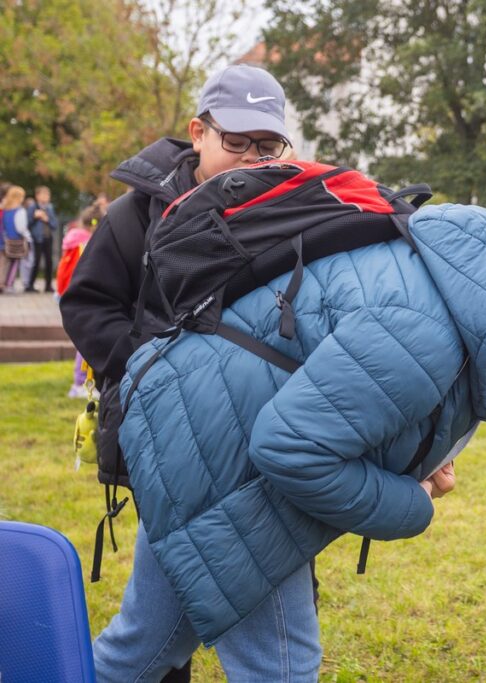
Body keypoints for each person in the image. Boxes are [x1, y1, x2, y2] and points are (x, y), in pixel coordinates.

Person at [91, 204, 486, 681]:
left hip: (194, 428)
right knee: (279, 667)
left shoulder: (471, 306)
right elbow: (291, 448)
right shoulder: (427, 331)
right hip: (220, 457)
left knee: (146, 646)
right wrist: (409, 502)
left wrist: (416, 463)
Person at [60, 63, 296, 683]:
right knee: (163, 636)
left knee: (187, 611)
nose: (252, 158)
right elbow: (87, 305)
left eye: (267, 146)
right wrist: (154, 372)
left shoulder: (292, 209)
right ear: (198, 132)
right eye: (236, 142)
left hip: (255, 438)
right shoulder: (134, 213)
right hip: (162, 431)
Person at [58, 203, 103, 397]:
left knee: (82, 341)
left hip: (68, 295)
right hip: (83, 297)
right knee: (85, 342)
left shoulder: (72, 241)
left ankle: (81, 382)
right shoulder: (87, 245)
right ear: (95, 225)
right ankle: (80, 383)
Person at [25, 185, 59, 293]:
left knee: (49, 261)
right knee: (36, 261)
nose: (46, 197)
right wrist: (35, 217)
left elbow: (54, 225)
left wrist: (46, 219)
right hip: (37, 238)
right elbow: (28, 223)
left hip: (48, 238)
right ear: (37, 196)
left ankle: (48, 285)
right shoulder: (32, 207)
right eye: (43, 194)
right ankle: (30, 285)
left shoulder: (50, 208)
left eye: (47, 195)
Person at [2, 185, 31, 292]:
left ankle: (3, 283)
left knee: (5, 263)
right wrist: (28, 237)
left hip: (5, 241)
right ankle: (9, 285)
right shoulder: (20, 211)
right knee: (14, 264)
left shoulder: (4, 210)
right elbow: (21, 228)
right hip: (16, 241)